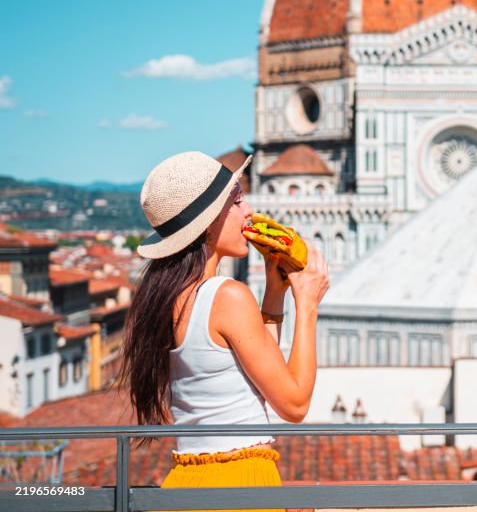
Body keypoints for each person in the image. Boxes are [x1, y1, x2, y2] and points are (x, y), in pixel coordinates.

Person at [118, 151, 330, 512]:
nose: (249, 211)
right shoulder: (227, 295)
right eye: (237, 201)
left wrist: (275, 294)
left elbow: (250, 372)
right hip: (240, 482)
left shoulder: (169, 298)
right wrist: (307, 303)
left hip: (188, 481)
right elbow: (294, 404)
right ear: (208, 222)